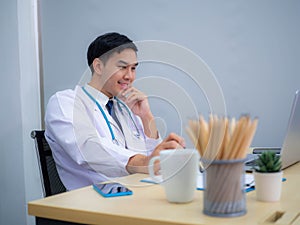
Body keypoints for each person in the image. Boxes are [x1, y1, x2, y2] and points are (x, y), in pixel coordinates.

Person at [45, 32, 185, 190]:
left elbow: (153, 161)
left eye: (133, 68)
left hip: (135, 195)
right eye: (123, 67)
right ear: (98, 66)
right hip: (92, 203)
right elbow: (89, 149)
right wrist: (143, 163)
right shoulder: (66, 102)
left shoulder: (124, 108)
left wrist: (147, 117)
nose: (130, 76)